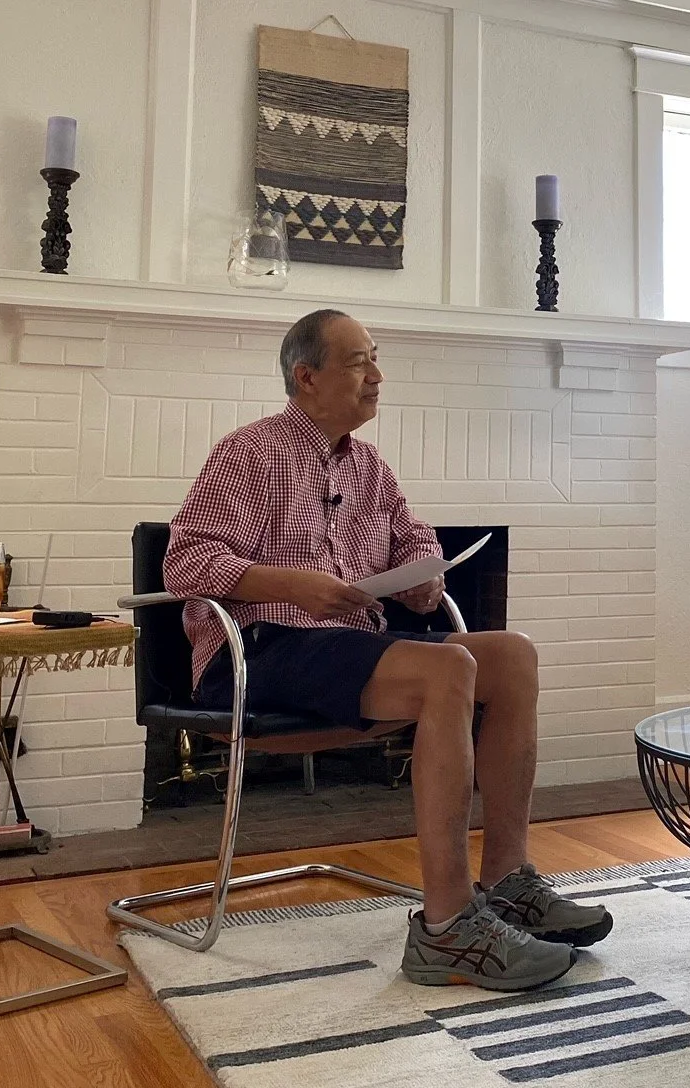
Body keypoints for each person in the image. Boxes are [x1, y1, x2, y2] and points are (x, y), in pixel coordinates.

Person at [164, 308, 612, 991]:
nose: (376, 376)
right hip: (259, 652)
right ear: (306, 377)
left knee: (513, 655)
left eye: (375, 359)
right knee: (449, 666)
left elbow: (416, 540)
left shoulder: (370, 466)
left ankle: (507, 881)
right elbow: (187, 562)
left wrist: (426, 576)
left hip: (347, 649)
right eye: (357, 363)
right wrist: (295, 586)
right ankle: (447, 929)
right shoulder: (247, 454)